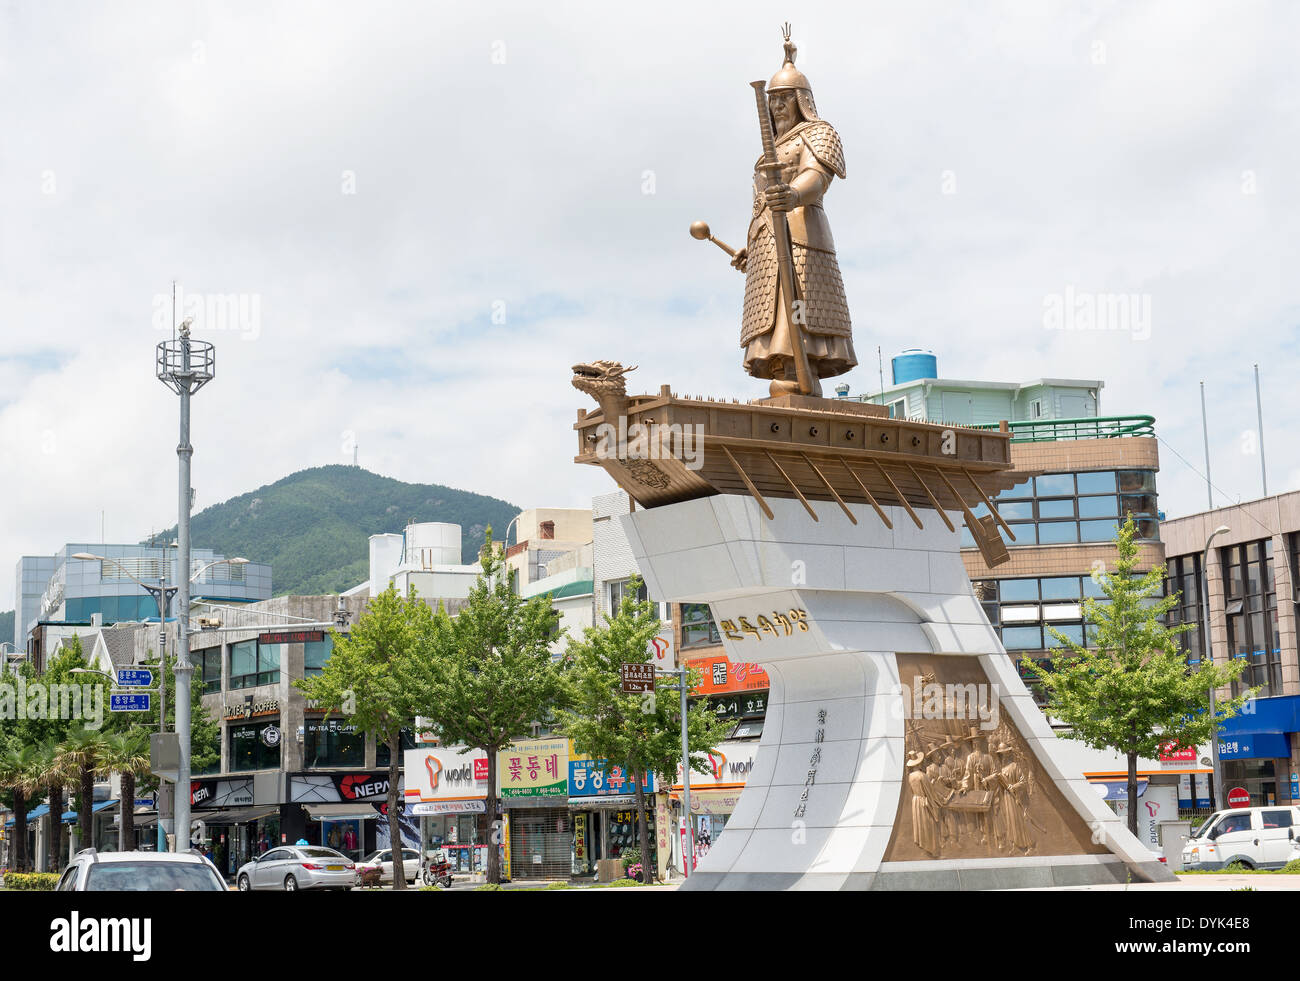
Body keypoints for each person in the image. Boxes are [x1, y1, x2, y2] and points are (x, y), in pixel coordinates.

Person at [730, 27, 855, 397]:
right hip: (767, 239)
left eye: (785, 98)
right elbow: (761, 204)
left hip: (802, 231)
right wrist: (751, 246)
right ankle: (784, 365)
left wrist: (793, 193)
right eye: (774, 99)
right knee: (771, 307)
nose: (778, 106)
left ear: (802, 100)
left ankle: (803, 370)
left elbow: (817, 176)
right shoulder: (767, 150)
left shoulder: (819, 133)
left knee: (799, 301)